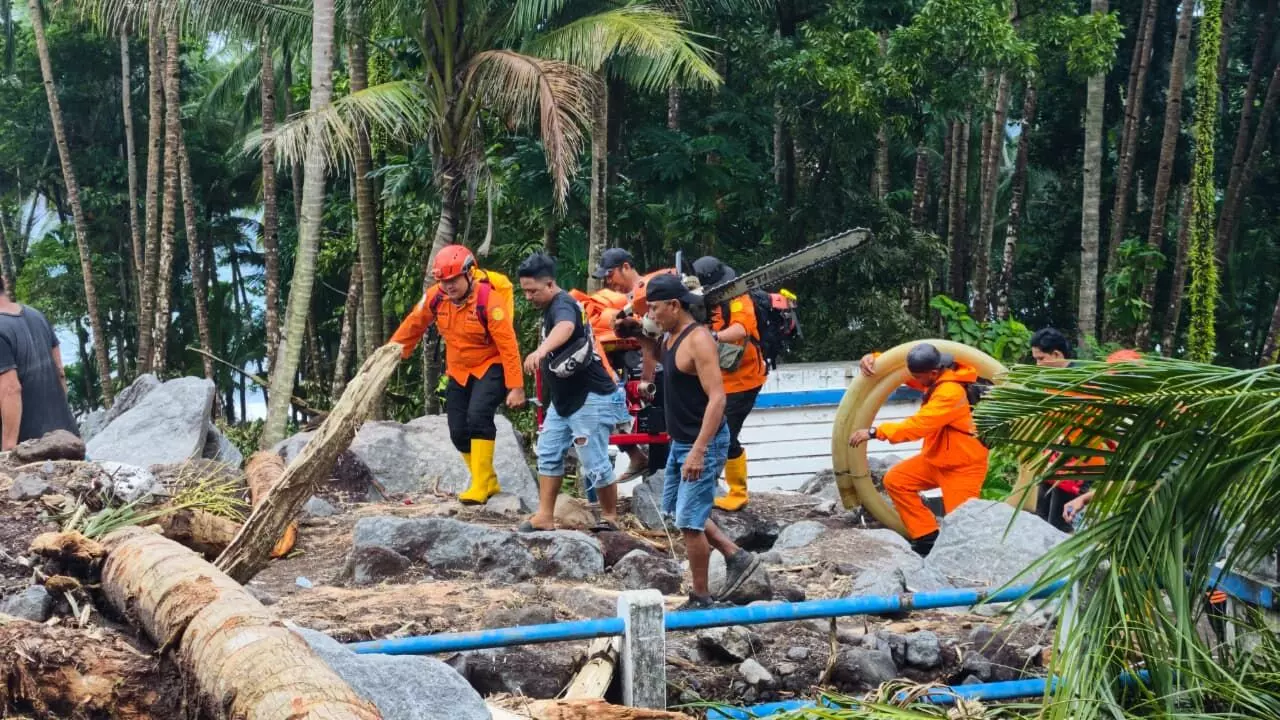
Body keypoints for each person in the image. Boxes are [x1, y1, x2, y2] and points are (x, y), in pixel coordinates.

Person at [645, 273, 761, 608]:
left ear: (674, 305)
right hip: (681, 441)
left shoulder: (698, 340)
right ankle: (734, 554)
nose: (651, 315)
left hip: (703, 442)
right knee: (674, 509)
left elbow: (718, 399)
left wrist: (698, 451)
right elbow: (654, 355)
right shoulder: (669, 337)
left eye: (655, 309)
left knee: (690, 523)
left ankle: (701, 596)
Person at [390, 245, 525, 505]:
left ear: (469, 274)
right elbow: (413, 323)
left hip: (490, 364)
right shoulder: (436, 297)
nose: (449, 286)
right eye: (444, 281)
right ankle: (486, 480)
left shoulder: (489, 301)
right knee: (457, 430)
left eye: (453, 280)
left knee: (478, 417)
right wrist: (394, 351)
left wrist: (516, 387)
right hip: (459, 370)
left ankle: (481, 484)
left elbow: (508, 346)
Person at [518, 253, 632, 532]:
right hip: (563, 399)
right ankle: (545, 515)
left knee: (594, 459)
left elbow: (566, 327)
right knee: (548, 451)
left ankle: (610, 517)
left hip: (590, 396)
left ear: (550, 284)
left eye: (532, 291)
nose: (528, 297)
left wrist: (541, 351)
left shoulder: (563, 305)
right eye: (525, 292)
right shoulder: (551, 308)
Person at [850, 344, 990, 557]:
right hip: (938, 460)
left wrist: (874, 432)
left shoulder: (950, 392)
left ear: (933, 372)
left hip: (963, 467)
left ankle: (969, 569)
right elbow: (906, 375)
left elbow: (918, 426)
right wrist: (875, 359)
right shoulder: (938, 377)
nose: (913, 379)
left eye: (918, 375)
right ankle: (927, 538)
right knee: (897, 480)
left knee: (962, 526)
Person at [691, 256, 766, 512]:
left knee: (726, 434)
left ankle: (738, 491)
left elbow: (740, 329)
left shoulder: (737, 297)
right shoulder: (703, 302)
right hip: (720, 380)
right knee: (714, 432)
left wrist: (710, 337)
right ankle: (711, 486)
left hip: (744, 379)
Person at [0, 278, 77, 449]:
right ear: (4, 282)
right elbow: (60, 374)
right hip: (67, 439)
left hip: (31, 451)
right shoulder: (37, 315)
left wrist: (7, 450)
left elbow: (10, 390)